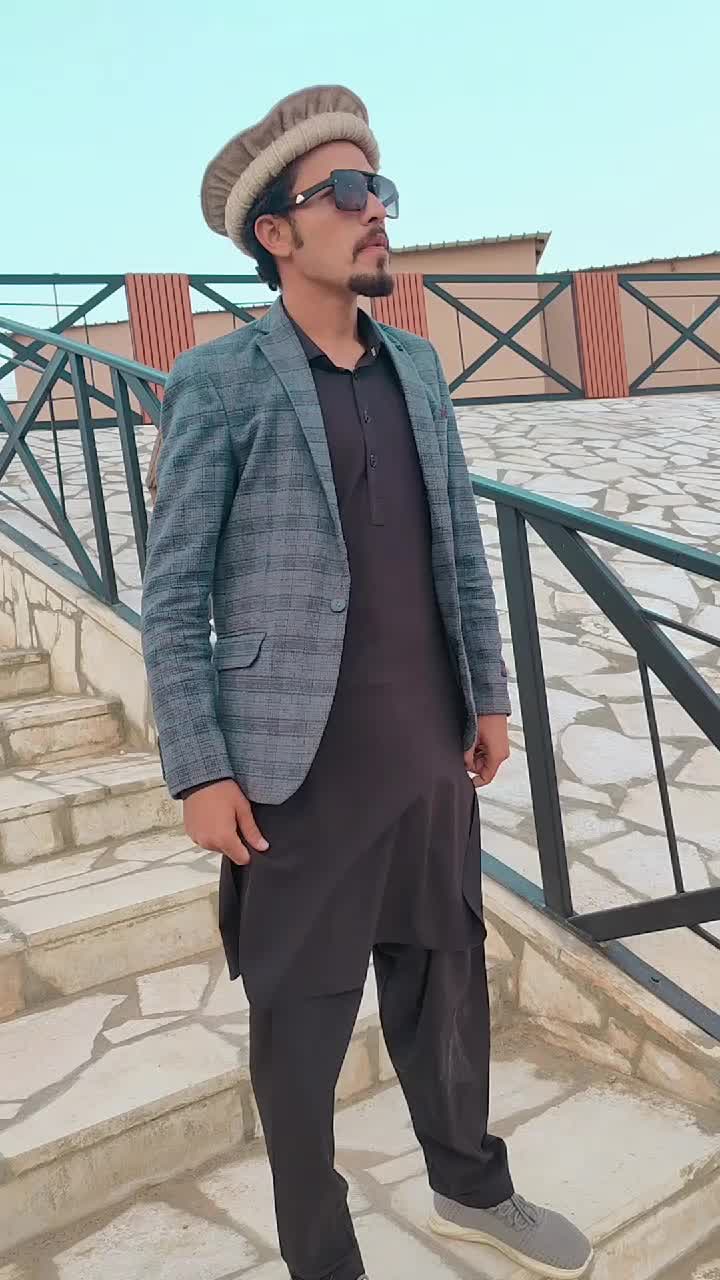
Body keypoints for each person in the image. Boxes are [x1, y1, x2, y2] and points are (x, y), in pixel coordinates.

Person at [141, 85, 592, 1280]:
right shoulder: (219, 380)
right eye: (345, 192)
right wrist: (198, 766)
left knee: (447, 983)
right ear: (276, 232)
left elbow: (458, 548)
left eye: (379, 187)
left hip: (427, 750)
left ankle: (471, 1186)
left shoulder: (420, 369)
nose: (376, 209)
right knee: (299, 1031)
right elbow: (173, 593)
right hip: (293, 776)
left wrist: (486, 694)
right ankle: (321, 1256)